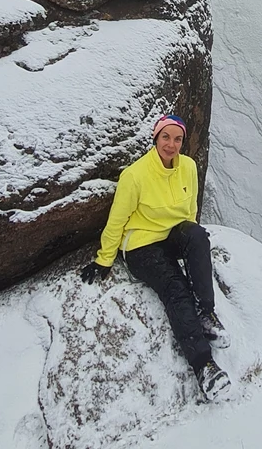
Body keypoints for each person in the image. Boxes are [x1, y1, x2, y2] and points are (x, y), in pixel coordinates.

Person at [81, 114, 231, 401]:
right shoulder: (135, 176)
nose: (171, 144)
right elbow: (117, 220)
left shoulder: (187, 167)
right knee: (175, 287)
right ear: (156, 138)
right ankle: (204, 366)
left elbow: (190, 213)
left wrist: (190, 247)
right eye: (166, 137)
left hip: (172, 235)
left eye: (177, 139)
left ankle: (205, 313)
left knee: (198, 236)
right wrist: (104, 259)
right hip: (141, 245)